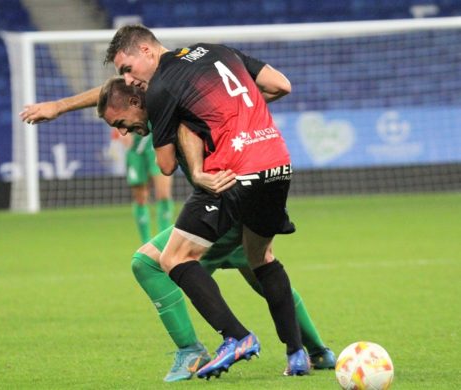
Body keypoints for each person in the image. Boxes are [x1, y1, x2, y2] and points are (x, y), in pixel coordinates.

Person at [20, 80, 335, 381]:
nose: (121, 131)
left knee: (148, 263)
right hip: (243, 196)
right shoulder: (164, 100)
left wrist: (61, 107)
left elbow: (164, 162)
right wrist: (59, 106)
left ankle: (195, 350)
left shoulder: (167, 106)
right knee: (262, 271)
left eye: (120, 123)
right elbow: (111, 93)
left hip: (222, 203)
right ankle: (317, 351)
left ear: (138, 98)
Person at [104, 25, 309, 378]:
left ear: (146, 50)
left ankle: (236, 336)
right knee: (260, 257)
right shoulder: (218, 51)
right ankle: (298, 353)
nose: (129, 78)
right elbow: (280, 85)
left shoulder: (163, 86)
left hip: (232, 171)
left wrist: (177, 126)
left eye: (127, 68)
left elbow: (167, 166)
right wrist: (236, 115)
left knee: (173, 258)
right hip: (276, 160)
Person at [20, 89, 173, 244]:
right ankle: (146, 242)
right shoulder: (128, 87)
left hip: (155, 146)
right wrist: (118, 134)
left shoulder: (154, 86)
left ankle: (164, 241)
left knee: (163, 193)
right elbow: (117, 109)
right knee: (140, 196)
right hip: (134, 151)